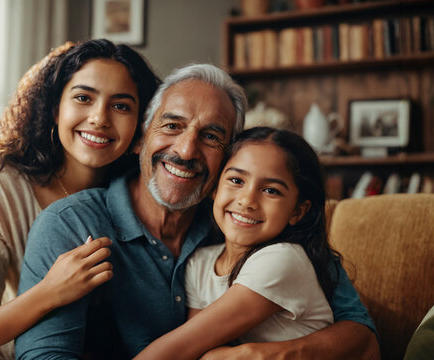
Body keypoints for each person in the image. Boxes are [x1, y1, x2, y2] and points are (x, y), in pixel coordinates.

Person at [15, 64, 379, 359]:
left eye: (210, 136)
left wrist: (265, 353)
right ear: (141, 137)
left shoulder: (245, 225)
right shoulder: (71, 224)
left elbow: (362, 337)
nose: (187, 150)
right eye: (172, 125)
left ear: (227, 157)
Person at [0, 39, 159, 359]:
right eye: (83, 98)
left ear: (141, 125)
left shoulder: (143, 197)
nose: (99, 118)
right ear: (55, 108)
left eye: (121, 106)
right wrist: (51, 292)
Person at [136, 127, 341, 359]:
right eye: (236, 180)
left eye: (271, 190)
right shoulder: (199, 262)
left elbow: (181, 347)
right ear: (214, 188)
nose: (247, 201)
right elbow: (199, 348)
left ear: (297, 211)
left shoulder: (283, 260)